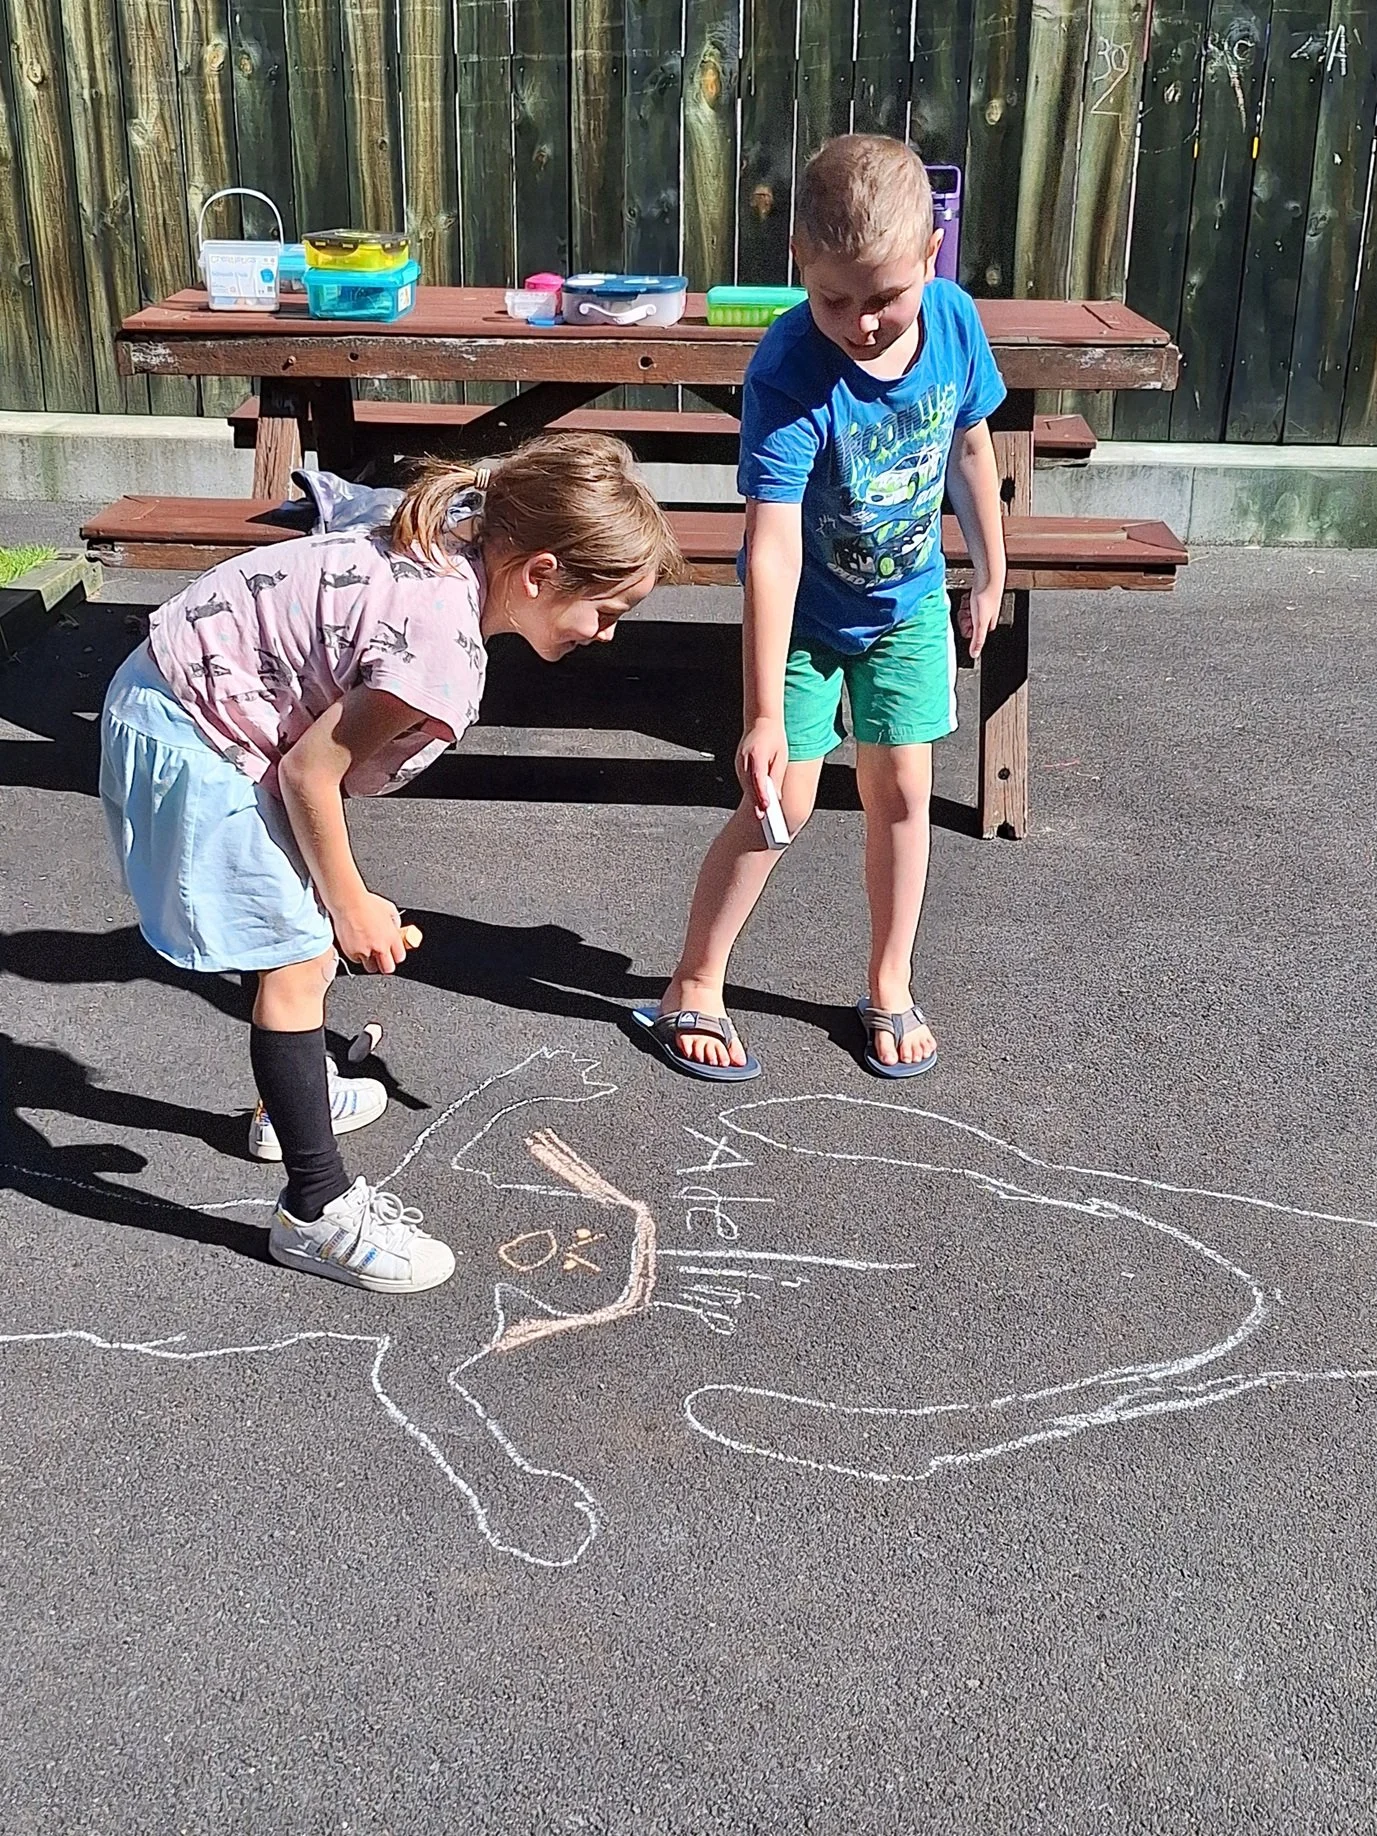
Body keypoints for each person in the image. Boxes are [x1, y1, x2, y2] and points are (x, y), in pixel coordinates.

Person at [100, 433, 680, 1293]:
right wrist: (351, 905)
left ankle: (292, 1101)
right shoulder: (440, 647)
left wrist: (335, 891)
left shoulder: (450, 541)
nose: (606, 634)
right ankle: (315, 1211)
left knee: (295, 937)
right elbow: (309, 772)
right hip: (197, 729)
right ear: (539, 572)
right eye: (606, 610)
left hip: (189, 697)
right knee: (298, 957)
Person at [637, 134, 1008, 1083]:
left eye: (885, 297)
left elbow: (969, 448)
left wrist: (990, 568)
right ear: (798, 259)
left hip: (907, 603)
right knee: (780, 804)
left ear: (931, 256)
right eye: (834, 299)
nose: (862, 324)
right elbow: (769, 546)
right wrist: (762, 713)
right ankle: (693, 982)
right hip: (805, 618)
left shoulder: (954, 322)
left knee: (903, 792)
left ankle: (889, 982)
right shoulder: (791, 368)